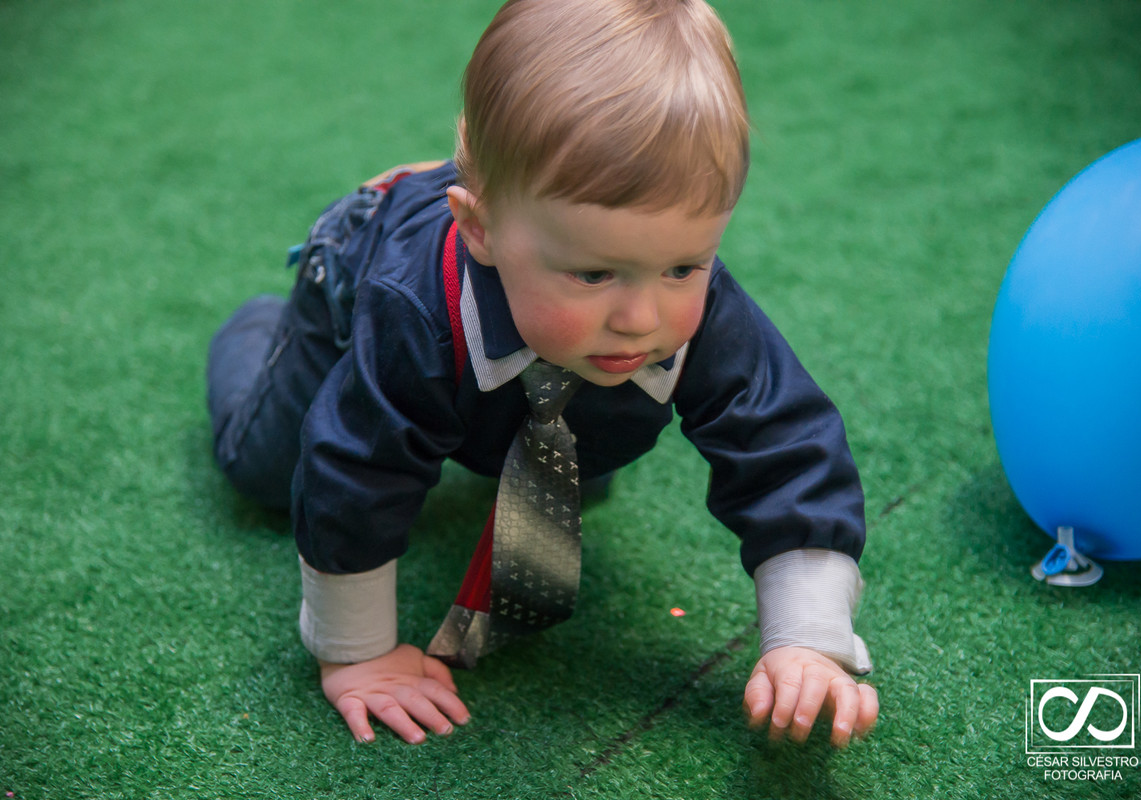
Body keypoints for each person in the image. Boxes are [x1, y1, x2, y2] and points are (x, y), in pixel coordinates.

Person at [207, 0, 878, 749]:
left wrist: (806, 639)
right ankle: (258, 327)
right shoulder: (411, 311)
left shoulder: (692, 305)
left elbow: (786, 444)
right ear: (482, 230)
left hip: (521, 312)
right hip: (357, 267)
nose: (641, 316)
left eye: (683, 265)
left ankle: (544, 400)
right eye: (595, 274)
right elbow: (354, 468)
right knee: (269, 472)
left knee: (574, 461)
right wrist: (357, 652)